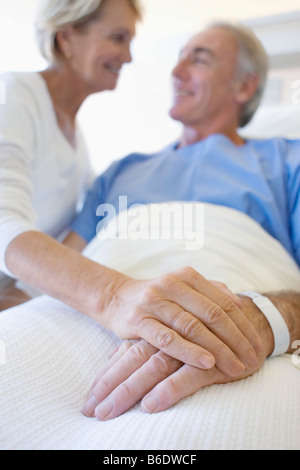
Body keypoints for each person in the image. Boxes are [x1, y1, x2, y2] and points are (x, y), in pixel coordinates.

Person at [0, 5, 262, 377]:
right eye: (118, 38)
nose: (128, 55)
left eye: (199, 60)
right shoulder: (11, 96)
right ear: (67, 37)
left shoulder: (83, 150)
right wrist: (112, 296)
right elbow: (9, 225)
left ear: (245, 85)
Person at [73, 21, 300, 420]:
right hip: (86, 322)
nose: (176, 73)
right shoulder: (121, 172)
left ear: (244, 87)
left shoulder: (287, 162)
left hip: (241, 338)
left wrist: (264, 319)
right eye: (177, 61)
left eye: (199, 60)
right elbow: (62, 266)